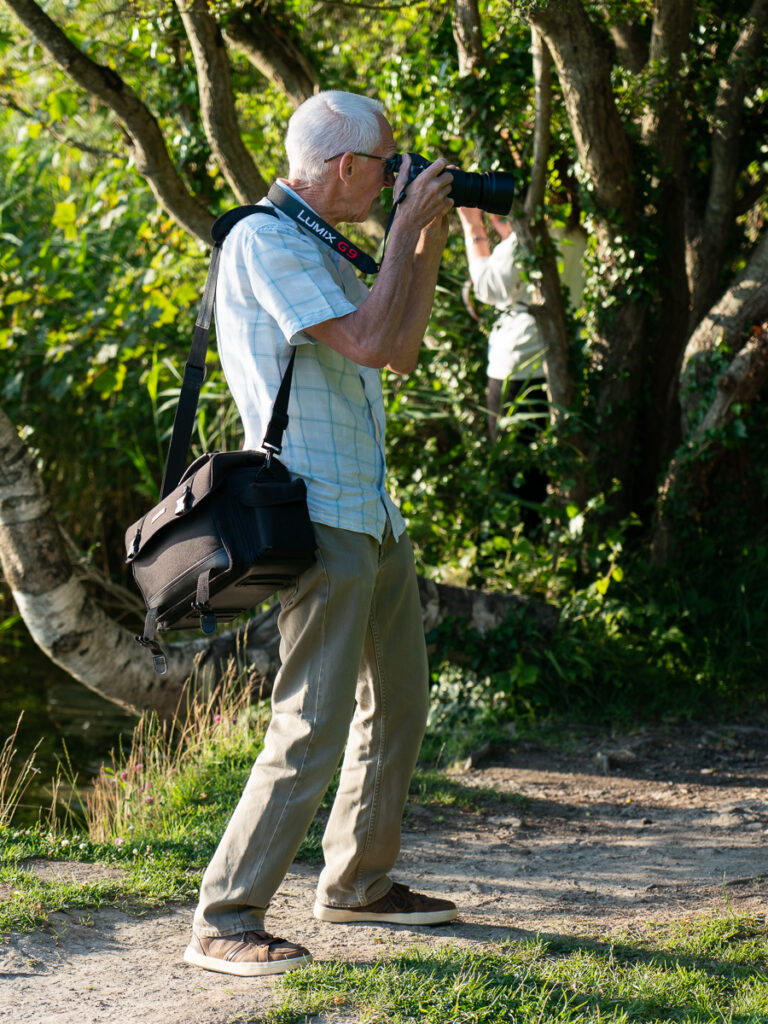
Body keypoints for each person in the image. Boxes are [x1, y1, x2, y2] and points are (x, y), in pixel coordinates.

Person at [182, 91, 458, 979]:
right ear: (345, 167)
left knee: (401, 704)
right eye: (386, 163)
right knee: (310, 725)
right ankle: (224, 917)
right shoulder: (267, 240)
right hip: (317, 511)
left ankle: (358, 883)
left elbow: (400, 349)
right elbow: (376, 335)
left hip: (371, 508)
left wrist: (425, 240)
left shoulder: (324, 243)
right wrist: (402, 234)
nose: (394, 174)